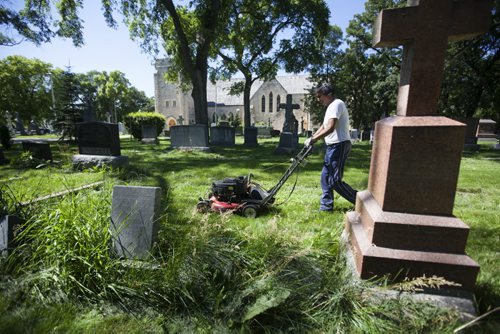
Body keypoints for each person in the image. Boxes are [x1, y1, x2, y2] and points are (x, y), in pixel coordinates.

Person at [305, 84, 358, 212]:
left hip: (339, 144)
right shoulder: (330, 107)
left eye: (320, 96)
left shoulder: (337, 104)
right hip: (333, 146)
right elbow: (323, 126)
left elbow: (331, 127)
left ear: (328, 94)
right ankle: (326, 207)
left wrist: (314, 139)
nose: (318, 99)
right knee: (325, 178)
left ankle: (359, 201)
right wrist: (312, 138)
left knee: (334, 180)